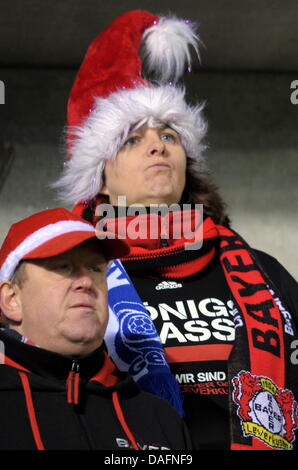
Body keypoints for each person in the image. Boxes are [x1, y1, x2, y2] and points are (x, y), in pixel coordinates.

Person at [53, 10, 298, 450]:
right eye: (131, 139)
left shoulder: (264, 271)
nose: (157, 145)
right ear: (100, 179)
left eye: (169, 135)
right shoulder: (70, 275)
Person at [0, 207, 192, 450]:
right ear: (11, 299)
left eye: (95, 269)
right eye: (62, 267)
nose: (86, 282)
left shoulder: (158, 418)